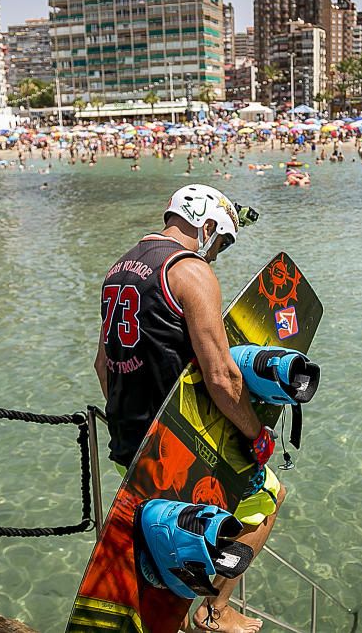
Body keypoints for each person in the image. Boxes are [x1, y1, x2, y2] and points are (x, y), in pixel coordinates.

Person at [94, 185, 273, 633]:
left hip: (131, 445)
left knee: (165, 534)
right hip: (179, 447)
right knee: (268, 499)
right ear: (207, 226)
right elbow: (222, 376)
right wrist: (256, 435)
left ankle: (167, 567)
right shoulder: (191, 272)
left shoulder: (119, 269)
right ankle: (215, 611)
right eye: (223, 241)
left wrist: (133, 420)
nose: (218, 253)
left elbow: (103, 365)